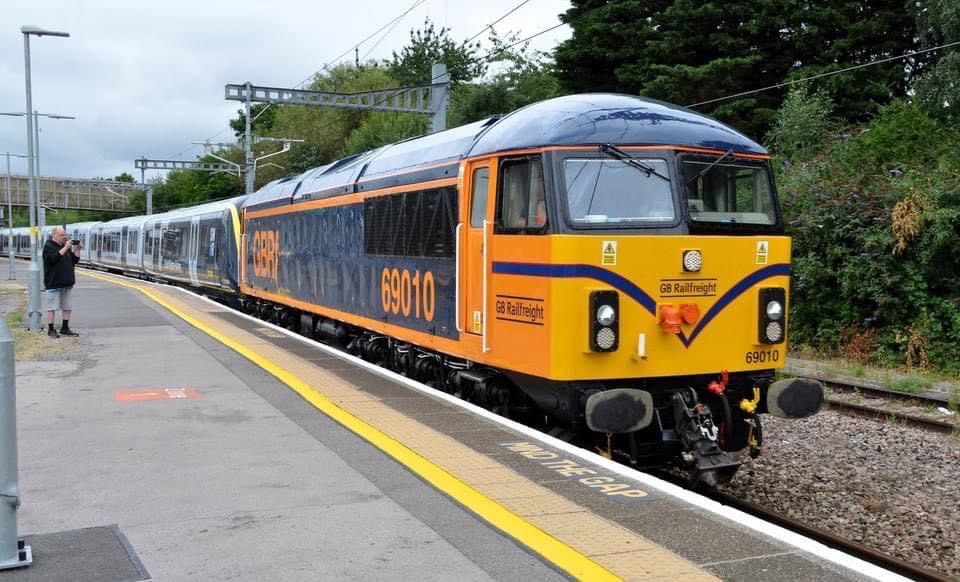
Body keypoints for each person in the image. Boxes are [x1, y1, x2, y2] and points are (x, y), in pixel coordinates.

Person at [43, 227, 81, 338]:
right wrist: (65, 247)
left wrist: (78, 249)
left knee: (67, 306)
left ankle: (65, 328)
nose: (63, 237)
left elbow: (74, 260)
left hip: (67, 282)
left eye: (64, 235)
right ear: (54, 235)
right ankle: (51, 329)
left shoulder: (65, 246)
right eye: (61, 235)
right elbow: (53, 259)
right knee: (52, 307)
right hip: (54, 282)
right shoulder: (48, 246)